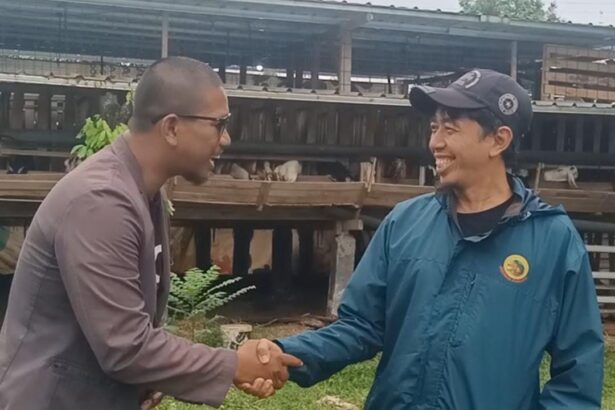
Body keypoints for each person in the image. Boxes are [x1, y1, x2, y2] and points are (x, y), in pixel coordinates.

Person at [245, 69, 605, 409]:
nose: (435, 142)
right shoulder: (405, 222)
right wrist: (283, 353)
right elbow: (361, 326)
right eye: (434, 128)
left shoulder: (552, 241)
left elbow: (578, 370)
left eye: (450, 129)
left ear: (498, 140)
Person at [0, 56, 300, 410]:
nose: (226, 139)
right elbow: (124, 346)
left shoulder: (144, 193)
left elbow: (132, 327)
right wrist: (232, 364)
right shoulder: (101, 202)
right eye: (219, 124)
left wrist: (149, 381)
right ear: (171, 128)